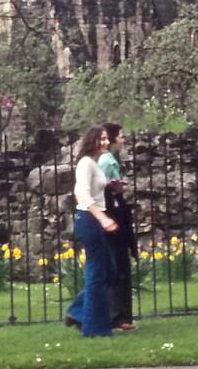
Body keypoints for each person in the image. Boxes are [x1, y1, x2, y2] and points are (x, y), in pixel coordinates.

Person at [63, 125, 117, 338]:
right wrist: (102, 218)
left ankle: (78, 312)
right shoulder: (85, 163)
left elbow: (93, 190)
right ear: (91, 140)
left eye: (106, 139)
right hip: (90, 220)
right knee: (97, 274)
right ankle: (94, 328)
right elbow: (81, 195)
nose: (106, 142)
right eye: (101, 139)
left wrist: (111, 186)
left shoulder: (94, 163)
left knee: (109, 272)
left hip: (94, 219)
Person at [100, 122, 137, 331]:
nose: (123, 140)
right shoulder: (107, 161)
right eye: (120, 136)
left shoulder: (110, 159)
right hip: (113, 215)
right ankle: (119, 316)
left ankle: (120, 316)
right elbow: (104, 189)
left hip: (114, 213)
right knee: (117, 267)